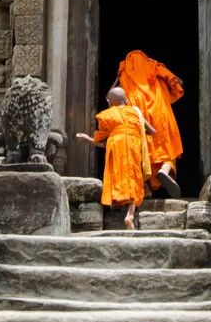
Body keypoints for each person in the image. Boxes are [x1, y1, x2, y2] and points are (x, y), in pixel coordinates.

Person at [75, 87, 154, 230]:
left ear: (110, 102)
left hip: (116, 146)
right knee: (135, 178)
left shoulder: (106, 115)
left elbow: (101, 141)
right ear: (127, 100)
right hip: (134, 145)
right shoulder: (136, 112)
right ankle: (130, 215)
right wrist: (138, 128)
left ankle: (119, 206)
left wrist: (87, 139)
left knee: (119, 176)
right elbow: (153, 131)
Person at [115, 49, 184, 199]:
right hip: (160, 112)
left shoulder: (124, 72)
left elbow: (116, 96)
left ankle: (144, 188)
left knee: (141, 151)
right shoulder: (153, 65)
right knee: (168, 147)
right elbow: (176, 81)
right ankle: (164, 171)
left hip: (137, 114)